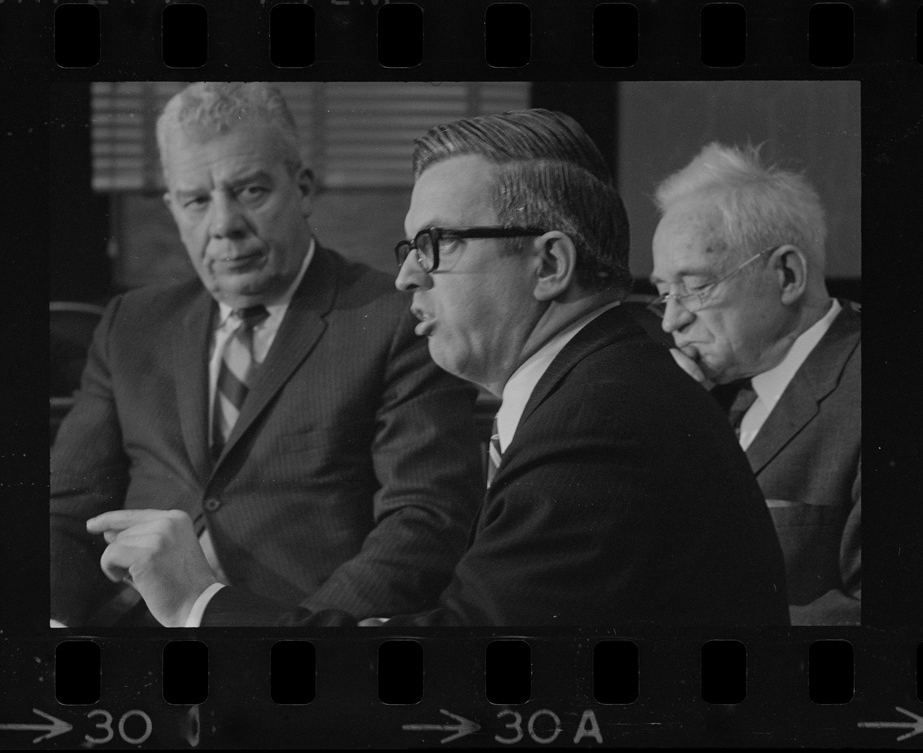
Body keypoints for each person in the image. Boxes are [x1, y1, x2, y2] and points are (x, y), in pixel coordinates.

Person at [88, 109, 790, 627]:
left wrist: (195, 603)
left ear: (548, 264)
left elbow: (452, 674)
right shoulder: (604, 381)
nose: (406, 279)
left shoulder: (598, 421)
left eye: (437, 244)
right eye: (407, 248)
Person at [51, 82, 485, 627]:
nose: (224, 224)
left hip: (300, 640)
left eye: (251, 191)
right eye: (197, 200)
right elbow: (64, 512)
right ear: (172, 208)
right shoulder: (131, 325)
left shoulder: (394, 319)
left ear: (302, 189)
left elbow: (424, 522)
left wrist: (283, 647)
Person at [650, 142, 860, 626]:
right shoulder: (704, 393)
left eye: (696, 287)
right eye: (664, 294)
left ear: (787, 275)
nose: (671, 321)